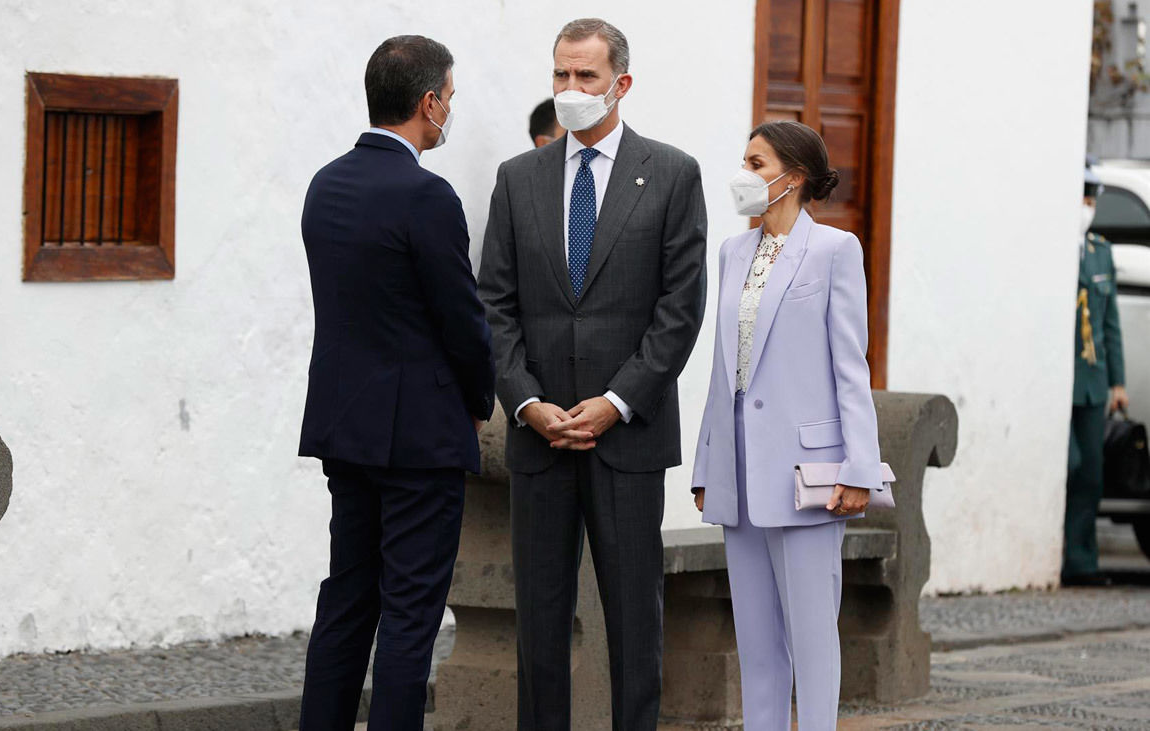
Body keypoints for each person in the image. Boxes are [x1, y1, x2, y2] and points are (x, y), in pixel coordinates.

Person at [478, 18, 707, 730]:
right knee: (539, 624)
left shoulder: (671, 174)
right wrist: (525, 402)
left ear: (621, 83)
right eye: (561, 74)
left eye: (586, 75)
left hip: (627, 439)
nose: (570, 88)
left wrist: (615, 401)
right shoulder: (518, 178)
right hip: (540, 438)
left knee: (635, 621)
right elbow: (493, 304)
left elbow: (680, 309)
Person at [296, 35, 494, 730]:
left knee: (347, 602)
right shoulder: (426, 195)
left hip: (344, 425)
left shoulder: (326, 183)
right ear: (428, 102)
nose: (451, 111)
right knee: (410, 615)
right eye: (450, 97)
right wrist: (479, 401)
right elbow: (462, 318)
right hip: (419, 437)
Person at [691, 120, 882, 731]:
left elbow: (851, 366)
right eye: (744, 161)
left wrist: (860, 468)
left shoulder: (834, 250)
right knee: (756, 642)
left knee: (812, 639)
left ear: (793, 178)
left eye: (756, 164)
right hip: (740, 473)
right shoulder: (732, 252)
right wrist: (707, 465)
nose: (743, 175)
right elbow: (723, 368)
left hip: (809, 477)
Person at [1063, 160, 1128, 587]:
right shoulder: (1056, 249)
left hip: (1091, 380)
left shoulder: (1100, 251)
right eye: (1082, 195)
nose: (1087, 204)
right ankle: (1056, 551)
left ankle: (1081, 562)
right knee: (1067, 464)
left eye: (1092, 196)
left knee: (1091, 473)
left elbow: (1110, 324)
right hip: (1061, 380)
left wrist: (1117, 382)